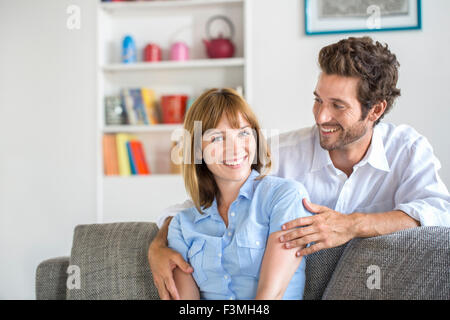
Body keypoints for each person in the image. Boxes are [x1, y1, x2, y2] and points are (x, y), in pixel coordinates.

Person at [148, 37, 450, 300]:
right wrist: (159, 245)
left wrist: (353, 225)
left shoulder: (407, 150)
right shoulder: (281, 152)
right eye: (318, 100)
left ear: (375, 110)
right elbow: (208, 199)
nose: (320, 116)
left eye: (338, 106)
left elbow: (438, 213)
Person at [166, 88, 311, 300]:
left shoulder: (284, 196)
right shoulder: (182, 224)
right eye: (217, 138)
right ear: (197, 150)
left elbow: (271, 297)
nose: (235, 148)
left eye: (243, 133)